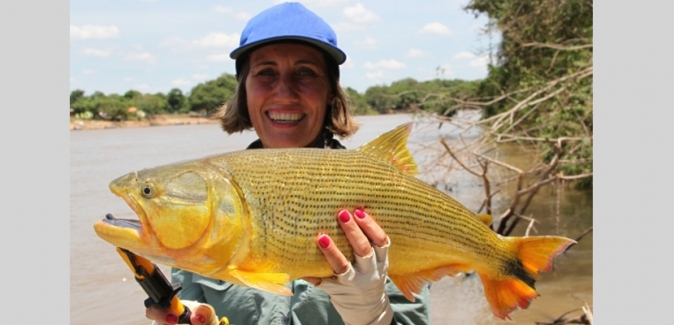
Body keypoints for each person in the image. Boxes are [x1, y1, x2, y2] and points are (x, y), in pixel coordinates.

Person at [145, 2, 431, 324]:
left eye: (305, 73)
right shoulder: (203, 203)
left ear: (330, 95)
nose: (284, 91)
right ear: (244, 92)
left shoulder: (384, 194)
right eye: (265, 72)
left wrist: (374, 316)